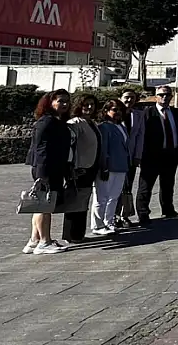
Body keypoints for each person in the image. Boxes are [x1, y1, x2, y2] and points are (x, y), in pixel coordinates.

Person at [24, 89, 73, 255]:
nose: (64, 104)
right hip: (46, 168)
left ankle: (34, 240)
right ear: (50, 102)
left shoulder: (55, 121)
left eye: (67, 101)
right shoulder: (47, 122)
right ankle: (44, 241)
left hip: (52, 167)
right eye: (60, 101)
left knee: (42, 205)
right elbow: (40, 149)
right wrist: (42, 173)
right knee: (44, 206)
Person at [137, 85, 178, 224]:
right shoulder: (147, 113)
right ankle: (143, 213)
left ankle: (168, 209)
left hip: (170, 154)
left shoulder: (176, 113)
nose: (164, 97)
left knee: (168, 185)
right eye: (161, 95)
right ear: (156, 96)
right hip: (151, 156)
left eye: (167, 95)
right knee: (146, 186)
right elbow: (141, 135)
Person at [63, 94, 101, 243]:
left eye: (92, 104)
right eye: (86, 104)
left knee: (83, 201)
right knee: (74, 202)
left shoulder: (91, 122)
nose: (89, 107)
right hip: (79, 168)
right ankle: (71, 235)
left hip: (90, 166)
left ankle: (79, 233)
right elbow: (70, 147)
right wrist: (73, 166)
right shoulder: (75, 123)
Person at [91, 99, 130, 236]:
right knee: (101, 198)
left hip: (121, 167)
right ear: (106, 111)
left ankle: (109, 222)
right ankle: (97, 224)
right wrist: (104, 166)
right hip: (108, 167)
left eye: (120, 110)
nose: (117, 112)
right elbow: (103, 149)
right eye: (114, 110)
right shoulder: (104, 127)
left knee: (114, 197)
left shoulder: (122, 127)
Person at [117, 90, 145, 227]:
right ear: (120, 98)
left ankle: (124, 215)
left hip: (131, 157)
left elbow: (140, 136)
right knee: (116, 188)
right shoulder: (114, 114)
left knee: (127, 187)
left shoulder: (139, 115)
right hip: (116, 157)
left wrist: (137, 156)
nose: (129, 100)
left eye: (132, 98)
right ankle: (113, 216)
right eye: (127, 97)